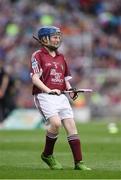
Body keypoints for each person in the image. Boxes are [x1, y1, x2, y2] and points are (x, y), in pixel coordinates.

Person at [30, 26, 91, 170]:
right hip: (44, 96)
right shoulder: (37, 55)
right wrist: (49, 90)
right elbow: (35, 79)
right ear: (44, 39)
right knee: (56, 124)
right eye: (54, 37)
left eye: (58, 37)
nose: (58, 39)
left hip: (61, 96)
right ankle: (47, 155)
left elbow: (65, 79)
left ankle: (79, 163)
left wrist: (70, 90)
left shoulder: (61, 56)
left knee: (71, 126)